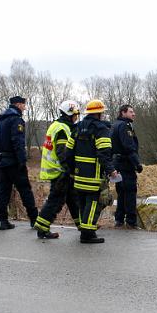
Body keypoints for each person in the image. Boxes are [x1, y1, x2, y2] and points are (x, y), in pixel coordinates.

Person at [65, 98, 117, 244]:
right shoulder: (101, 129)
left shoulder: (77, 127)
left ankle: (86, 231)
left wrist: (72, 170)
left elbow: (68, 152)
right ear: (99, 114)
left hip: (78, 174)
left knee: (82, 202)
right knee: (93, 202)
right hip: (94, 175)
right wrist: (111, 171)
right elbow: (104, 154)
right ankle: (87, 234)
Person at [34, 100, 81, 239]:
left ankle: (83, 226)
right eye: (75, 115)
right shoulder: (62, 129)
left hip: (58, 170)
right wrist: (69, 170)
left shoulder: (56, 125)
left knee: (73, 199)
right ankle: (42, 228)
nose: (76, 118)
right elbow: (63, 153)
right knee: (56, 201)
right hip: (60, 171)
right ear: (69, 114)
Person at [0, 95, 39, 231]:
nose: (25, 108)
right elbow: (18, 142)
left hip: (3, 160)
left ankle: (3, 220)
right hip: (14, 161)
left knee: (3, 191)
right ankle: (34, 219)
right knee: (25, 190)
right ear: (18, 104)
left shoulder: (2, 120)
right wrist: (22, 161)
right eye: (24, 105)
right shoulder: (16, 119)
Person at [111, 104, 143, 229]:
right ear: (123, 113)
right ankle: (131, 221)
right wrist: (137, 164)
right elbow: (129, 147)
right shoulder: (124, 126)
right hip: (125, 163)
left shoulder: (115, 125)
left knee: (121, 192)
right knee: (130, 192)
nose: (133, 114)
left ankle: (119, 220)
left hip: (117, 163)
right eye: (131, 111)